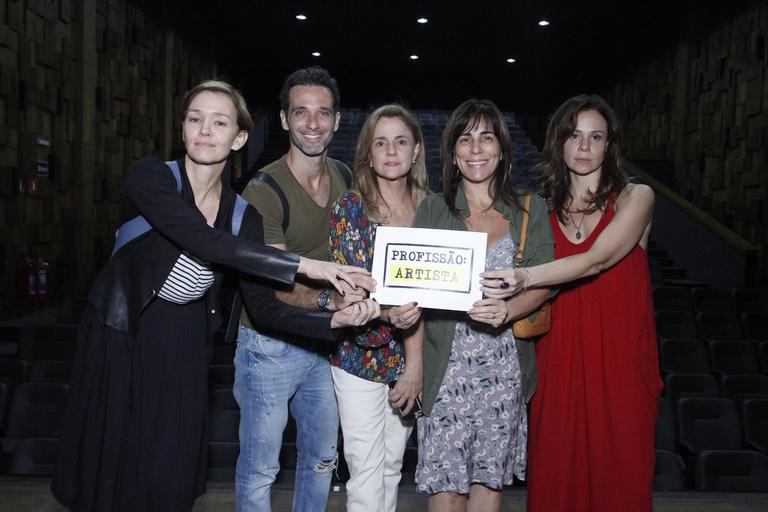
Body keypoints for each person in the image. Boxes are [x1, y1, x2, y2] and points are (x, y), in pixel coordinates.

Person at [50, 80, 373, 512]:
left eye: (219, 122)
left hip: (183, 341)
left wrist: (334, 321)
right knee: (113, 467)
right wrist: (309, 266)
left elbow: (263, 308)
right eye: (195, 119)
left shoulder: (243, 216)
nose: (205, 130)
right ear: (183, 128)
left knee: (169, 471)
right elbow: (201, 240)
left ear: (239, 138)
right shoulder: (151, 178)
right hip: (121, 332)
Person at [481, 95, 664, 512]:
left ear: (609, 146)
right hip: (557, 361)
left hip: (620, 364)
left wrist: (525, 276)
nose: (584, 147)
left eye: (595, 137)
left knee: (622, 484)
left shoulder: (637, 197)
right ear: (559, 143)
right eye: (574, 136)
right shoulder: (538, 212)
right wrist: (506, 306)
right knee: (555, 487)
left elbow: (596, 260)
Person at [234, 67, 377, 512]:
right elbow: (274, 286)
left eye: (322, 113)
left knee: (321, 460)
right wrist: (334, 300)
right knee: (261, 469)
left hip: (325, 344)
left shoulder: (342, 176)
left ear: (336, 121)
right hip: (269, 347)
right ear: (283, 119)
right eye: (301, 113)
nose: (312, 124)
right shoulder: (264, 189)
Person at [411, 99, 554, 512]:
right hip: (446, 368)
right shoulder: (433, 209)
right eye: (466, 138)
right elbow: (414, 293)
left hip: (504, 369)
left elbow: (545, 281)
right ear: (453, 153)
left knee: (488, 486)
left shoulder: (530, 209)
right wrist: (416, 368)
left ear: (502, 150)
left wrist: (509, 311)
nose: (476, 149)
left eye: (487, 138)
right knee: (445, 490)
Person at [328, 104, 430, 512]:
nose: (391, 151)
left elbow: (435, 297)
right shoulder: (350, 208)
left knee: (390, 466)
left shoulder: (432, 210)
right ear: (368, 153)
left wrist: (416, 367)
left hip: (410, 356)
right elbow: (356, 292)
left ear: (417, 150)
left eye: (401, 142)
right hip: (359, 354)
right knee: (366, 470)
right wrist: (388, 314)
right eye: (381, 143)